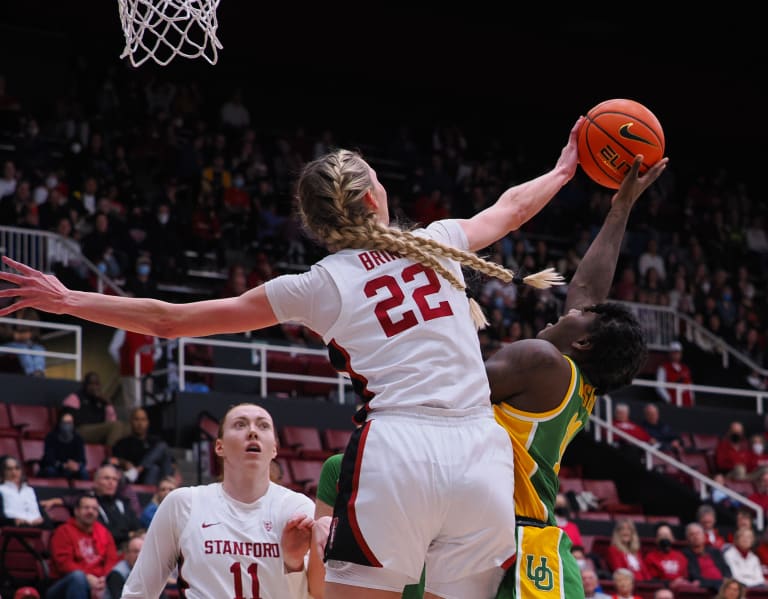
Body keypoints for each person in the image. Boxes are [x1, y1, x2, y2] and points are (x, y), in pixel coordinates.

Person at [0, 117, 588, 597]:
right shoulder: (438, 239)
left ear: (317, 220)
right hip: (479, 454)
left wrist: (67, 299)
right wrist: (565, 169)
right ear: (372, 197)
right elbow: (512, 208)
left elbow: (169, 320)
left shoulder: (318, 284)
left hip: (400, 449)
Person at [489, 154, 668, 598]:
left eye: (578, 316)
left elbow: (448, 379)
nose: (570, 306)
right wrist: (620, 210)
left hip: (521, 544)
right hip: (502, 535)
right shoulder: (576, 384)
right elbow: (588, 291)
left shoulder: (544, 362)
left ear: (584, 344)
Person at [120, 402, 320, 598]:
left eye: (263, 425)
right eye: (240, 425)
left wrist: (293, 564)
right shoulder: (182, 504)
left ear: (274, 448)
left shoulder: (298, 508)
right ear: (219, 446)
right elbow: (138, 592)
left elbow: (320, 594)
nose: (252, 431)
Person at [314, 452, 425, 598]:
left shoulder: (426, 471)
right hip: (351, 586)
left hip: (416, 587)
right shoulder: (338, 466)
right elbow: (320, 560)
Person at [46, 492, 119, 599]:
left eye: (94, 509)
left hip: (99, 581)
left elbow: (111, 560)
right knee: (78, 577)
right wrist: (87, 577)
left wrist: (104, 578)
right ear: (76, 511)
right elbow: (64, 564)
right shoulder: (63, 532)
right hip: (65, 584)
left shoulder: (104, 532)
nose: (90, 511)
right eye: (86, 508)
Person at [61, 371, 130, 447]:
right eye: (91, 384)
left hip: (97, 431)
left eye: (97, 384)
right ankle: (111, 456)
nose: (94, 387)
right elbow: (68, 421)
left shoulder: (100, 401)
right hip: (80, 430)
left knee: (127, 429)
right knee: (117, 425)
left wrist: (108, 404)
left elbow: (111, 421)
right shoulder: (75, 397)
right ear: (84, 385)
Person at [110, 407, 175, 485]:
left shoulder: (155, 441)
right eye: (136, 419)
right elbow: (114, 460)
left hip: (158, 478)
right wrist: (124, 463)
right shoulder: (123, 442)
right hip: (136, 480)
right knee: (154, 467)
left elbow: (171, 462)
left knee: (161, 450)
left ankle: (137, 470)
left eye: (143, 419)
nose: (140, 423)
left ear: (148, 422)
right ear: (131, 421)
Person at [39, 407, 89, 480]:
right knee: (50, 471)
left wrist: (75, 465)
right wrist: (63, 465)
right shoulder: (51, 437)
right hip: (56, 467)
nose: (67, 426)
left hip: (72, 468)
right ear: (59, 423)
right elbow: (49, 459)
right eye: (64, 423)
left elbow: (82, 460)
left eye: (69, 423)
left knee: (83, 472)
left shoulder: (78, 439)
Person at [682, 522, 732, 592]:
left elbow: (726, 568)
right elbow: (694, 577)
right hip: (707, 586)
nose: (695, 536)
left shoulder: (715, 551)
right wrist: (716, 583)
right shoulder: (685, 554)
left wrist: (727, 578)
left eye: (698, 533)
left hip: (721, 584)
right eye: (692, 534)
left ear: (704, 536)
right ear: (687, 539)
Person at [0, 455, 45, 527]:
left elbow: (43, 516)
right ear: (2, 472)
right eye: (9, 469)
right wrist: (13, 521)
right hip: (12, 529)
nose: (14, 472)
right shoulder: (1, 490)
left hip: (37, 527)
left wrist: (42, 521)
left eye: (17, 468)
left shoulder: (30, 490)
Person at [642, 523, 690, 589]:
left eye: (667, 535)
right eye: (661, 535)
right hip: (661, 590)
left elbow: (685, 577)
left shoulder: (681, 556)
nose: (664, 538)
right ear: (656, 539)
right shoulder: (650, 557)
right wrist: (670, 583)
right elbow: (652, 580)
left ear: (672, 538)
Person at [656, 340, 695, 407]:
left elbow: (690, 386)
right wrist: (668, 399)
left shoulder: (685, 368)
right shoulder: (663, 368)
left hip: (687, 404)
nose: (676, 355)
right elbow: (659, 387)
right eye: (674, 352)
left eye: (678, 352)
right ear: (670, 353)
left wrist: (692, 399)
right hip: (674, 404)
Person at [105, 534, 144, 599]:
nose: (139, 556)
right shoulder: (116, 575)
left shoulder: (146, 571)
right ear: (126, 554)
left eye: (142, 552)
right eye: (135, 551)